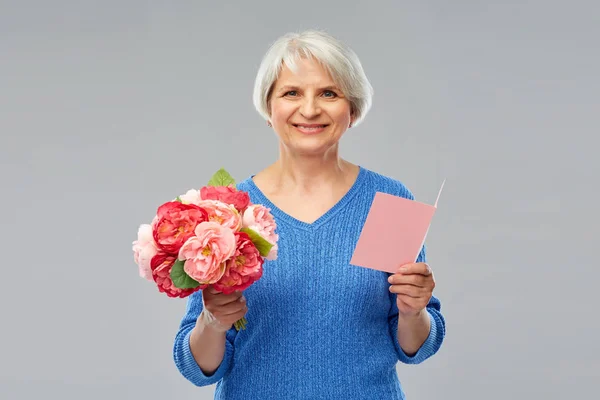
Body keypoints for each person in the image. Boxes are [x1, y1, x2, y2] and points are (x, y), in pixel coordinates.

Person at [172, 29, 446, 399]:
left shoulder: (389, 200)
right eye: (291, 93)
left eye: (329, 93)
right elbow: (198, 369)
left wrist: (414, 313)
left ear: (352, 109)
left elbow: (415, 348)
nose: (310, 109)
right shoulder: (228, 211)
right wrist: (212, 322)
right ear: (269, 108)